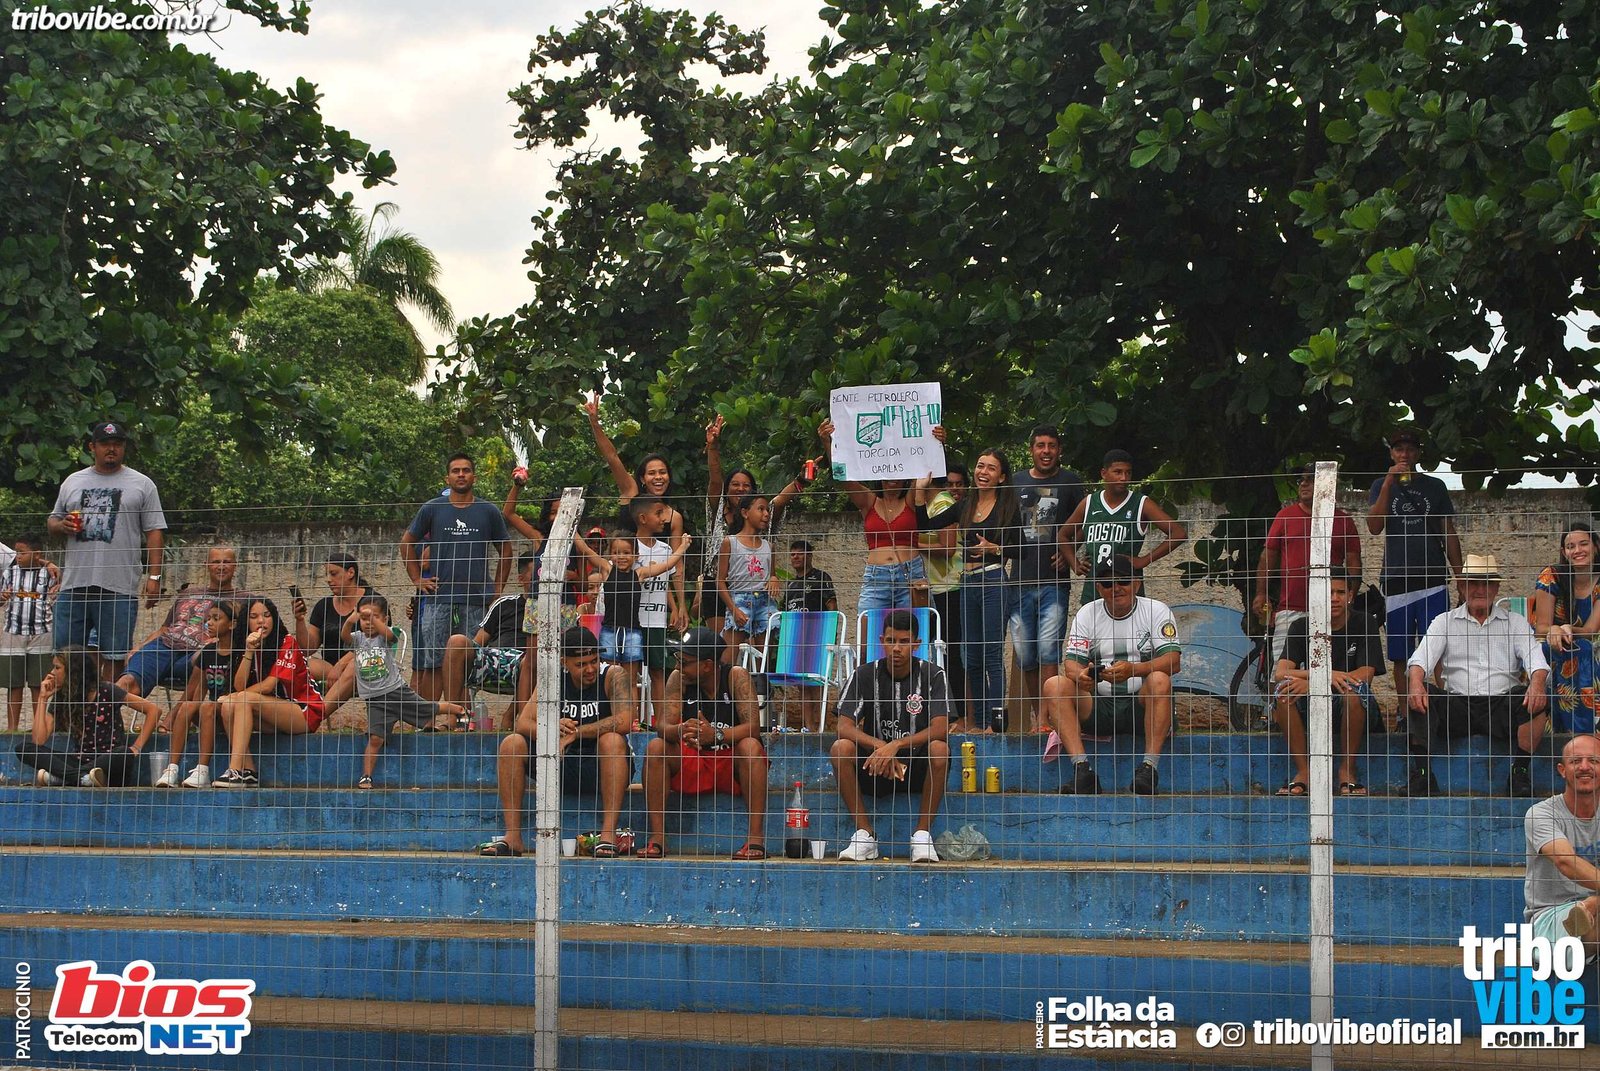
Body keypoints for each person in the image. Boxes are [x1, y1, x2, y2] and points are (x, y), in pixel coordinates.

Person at [480, 626, 634, 858]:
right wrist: (551, 729)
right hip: (559, 763)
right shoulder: (553, 679)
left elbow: (625, 720)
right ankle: (513, 837)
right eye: (581, 664)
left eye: (594, 661)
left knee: (612, 740)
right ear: (564, 662)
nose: (590, 669)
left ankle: (608, 834)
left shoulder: (613, 674)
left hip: (601, 765)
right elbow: (523, 723)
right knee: (512, 744)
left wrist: (577, 732)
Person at [1404, 555, 1549, 797]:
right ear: (1461, 587)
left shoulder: (1515, 622)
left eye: (1487, 583)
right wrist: (1416, 682)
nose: (1480, 590)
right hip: (1457, 706)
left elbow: (1537, 661)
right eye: (1473, 583)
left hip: (1501, 706)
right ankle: (1422, 775)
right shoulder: (1444, 621)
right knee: (1420, 693)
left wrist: (1537, 684)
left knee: (1534, 696)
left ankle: (1520, 773)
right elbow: (1420, 659)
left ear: (1496, 588)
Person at [1043, 554, 1181, 795]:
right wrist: (1082, 675)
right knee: (1054, 684)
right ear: (1098, 588)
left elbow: (1173, 661)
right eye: (1107, 583)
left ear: (1136, 583)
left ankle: (1149, 769)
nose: (1116, 588)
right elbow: (1071, 664)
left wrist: (1133, 670)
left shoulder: (1157, 610)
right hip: (1099, 705)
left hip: (1141, 704)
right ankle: (1082, 771)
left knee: (1160, 679)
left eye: (1123, 581)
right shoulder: (1087, 613)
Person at [46, 421, 167, 679]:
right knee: (65, 656)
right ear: (92, 447)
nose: (111, 449)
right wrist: (62, 525)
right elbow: (53, 520)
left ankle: (107, 705)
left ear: (124, 447)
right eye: (105, 444)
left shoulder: (143, 484)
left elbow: (154, 531)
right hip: (74, 585)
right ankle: (69, 705)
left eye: (117, 444)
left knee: (115, 656)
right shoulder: (73, 481)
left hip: (118, 586)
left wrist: (155, 577)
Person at [830, 609, 952, 862]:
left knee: (940, 748)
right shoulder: (864, 674)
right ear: (881, 641)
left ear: (916, 644)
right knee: (840, 748)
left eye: (904, 642)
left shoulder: (933, 674)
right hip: (875, 766)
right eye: (890, 641)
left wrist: (896, 745)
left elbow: (941, 728)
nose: (896, 648)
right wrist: (880, 747)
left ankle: (922, 835)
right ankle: (865, 835)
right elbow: (843, 726)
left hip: (916, 766)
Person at [640, 627, 769, 859]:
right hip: (695, 761)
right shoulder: (678, 678)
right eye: (678, 658)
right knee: (655, 747)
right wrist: (680, 730)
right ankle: (658, 837)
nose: (678, 665)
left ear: (707, 665)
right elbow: (662, 726)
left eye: (685, 661)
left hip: (731, 762)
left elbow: (753, 727)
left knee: (751, 746)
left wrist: (715, 735)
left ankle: (755, 838)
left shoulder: (735, 676)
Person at [921, 448, 1019, 733]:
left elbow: (1021, 548)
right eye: (980, 466)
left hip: (993, 580)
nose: (983, 472)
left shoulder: (1007, 507)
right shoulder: (965, 505)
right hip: (967, 583)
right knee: (971, 657)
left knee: (992, 655)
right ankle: (980, 722)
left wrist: (995, 548)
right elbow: (925, 524)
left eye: (991, 468)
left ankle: (996, 724)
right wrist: (919, 493)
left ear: (1001, 477)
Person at [401, 453, 511, 700]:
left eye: (466, 470)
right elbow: (406, 543)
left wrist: (497, 589)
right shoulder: (432, 508)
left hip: (476, 602)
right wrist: (417, 579)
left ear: (474, 476)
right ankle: (429, 719)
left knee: (467, 665)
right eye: (456, 471)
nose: (461, 474)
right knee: (432, 664)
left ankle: (460, 717)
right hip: (438, 600)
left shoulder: (488, 511)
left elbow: (506, 549)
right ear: (447, 477)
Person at [1366, 426, 1463, 704]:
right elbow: (1374, 526)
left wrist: (1461, 578)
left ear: (1418, 453)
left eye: (1410, 449)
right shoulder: (1380, 485)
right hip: (1397, 579)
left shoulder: (1435, 486)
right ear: (1391, 453)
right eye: (1399, 449)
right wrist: (1389, 482)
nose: (1404, 455)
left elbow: (1448, 532)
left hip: (1433, 579)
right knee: (1401, 655)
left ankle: (1446, 710)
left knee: (1439, 650)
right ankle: (1405, 713)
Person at [1268, 568, 1384, 797]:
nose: (1334, 598)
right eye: (1328, 592)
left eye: (1340, 592)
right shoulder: (1301, 626)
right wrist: (1324, 677)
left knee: (1353, 692)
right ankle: (1304, 772)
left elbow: (1366, 674)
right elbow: (1281, 672)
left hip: (1354, 708)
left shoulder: (1364, 622)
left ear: (1350, 595)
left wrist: (1318, 682)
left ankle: (1347, 771)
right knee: (1283, 691)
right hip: (1313, 705)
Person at [1010, 426, 1086, 731]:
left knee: (1048, 650)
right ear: (1031, 449)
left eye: (1051, 445)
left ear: (1059, 450)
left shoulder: (1071, 482)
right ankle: (1037, 714)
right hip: (1019, 580)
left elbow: (1084, 523)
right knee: (1025, 655)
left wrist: (1070, 551)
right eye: (1040, 445)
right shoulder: (1015, 482)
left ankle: (1047, 720)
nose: (1046, 451)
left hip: (1055, 582)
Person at [350, 595, 467, 788]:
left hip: (396, 691)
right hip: (375, 700)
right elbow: (344, 635)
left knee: (426, 708)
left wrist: (372, 619)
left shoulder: (385, 637)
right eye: (364, 618)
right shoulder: (358, 639)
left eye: (374, 617)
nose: (368, 622)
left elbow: (390, 635)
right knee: (375, 737)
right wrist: (351, 619)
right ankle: (366, 776)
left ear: (385, 619)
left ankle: (458, 710)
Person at [1253, 465, 1363, 663]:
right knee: (1284, 671)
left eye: (1310, 479)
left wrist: (1348, 599)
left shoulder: (1343, 521)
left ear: (1327, 484)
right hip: (1290, 607)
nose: (1303, 483)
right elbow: (1267, 558)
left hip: (1331, 609)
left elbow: (1354, 564)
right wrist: (1262, 593)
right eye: (1301, 480)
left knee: (1329, 667)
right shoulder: (1284, 516)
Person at [568, 532, 687, 715]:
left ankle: (631, 719)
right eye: (616, 552)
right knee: (609, 676)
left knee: (630, 680)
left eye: (626, 552)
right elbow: (585, 549)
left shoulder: (640, 573)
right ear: (610, 555)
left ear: (636, 555)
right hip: (609, 632)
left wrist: (683, 546)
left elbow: (667, 565)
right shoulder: (607, 570)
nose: (621, 557)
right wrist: (572, 528)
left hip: (633, 633)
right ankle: (609, 715)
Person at [817, 418, 928, 613]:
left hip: (911, 573)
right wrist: (827, 442)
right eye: (887, 470)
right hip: (877, 577)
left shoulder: (911, 498)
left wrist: (936, 441)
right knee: (867, 626)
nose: (892, 477)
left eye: (897, 470)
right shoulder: (869, 501)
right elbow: (842, 475)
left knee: (915, 626)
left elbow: (926, 464)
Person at [214, 598, 326, 788]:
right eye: (254, 617)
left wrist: (236, 696)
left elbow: (267, 686)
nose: (261, 621)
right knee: (228, 706)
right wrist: (249, 651)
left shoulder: (287, 642)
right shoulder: (245, 644)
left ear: (274, 618)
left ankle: (233, 769)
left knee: (240, 699)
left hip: (303, 711)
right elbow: (239, 686)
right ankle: (248, 772)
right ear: (246, 622)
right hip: (272, 712)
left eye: (266, 615)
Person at [16, 646, 162, 787]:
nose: (52, 672)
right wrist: (42, 698)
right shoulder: (62, 697)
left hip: (109, 765)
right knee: (24, 748)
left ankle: (67, 778)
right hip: (80, 761)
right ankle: (81, 778)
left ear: (73, 671)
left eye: (57, 668)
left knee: (123, 752)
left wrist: (136, 747)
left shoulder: (106, 690)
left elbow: (154, 710)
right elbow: (39, 740)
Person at [117, 544, 248, 700]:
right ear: (206, 565)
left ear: (235, 565)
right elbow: (164, 629)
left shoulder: (244, 599)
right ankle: (104, 713)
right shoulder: (188, 593)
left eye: (226, 562)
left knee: (205, 658)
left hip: (198, 656)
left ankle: (177, 714)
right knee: (126, 682)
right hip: (164, 647)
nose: (221, 567)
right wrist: (140, 647)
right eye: (216, 562)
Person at [1058, 449, 1186, 600]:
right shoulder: (1090, 502)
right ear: (1104, 473)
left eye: (1128, 473)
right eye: (1118, 472)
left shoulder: (1141, 503)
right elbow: (1063, 535)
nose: (1124, 478)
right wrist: (1075, 565)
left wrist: (1144, 560)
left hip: (1127, 591)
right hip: (1094, 591)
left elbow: (1179, 533)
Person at [1522, 734, 1598, 967]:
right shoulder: (1541, 813)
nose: (1585, 767)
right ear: (1562, 770)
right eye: (1576, 761)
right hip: (1550, 920)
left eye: (1594, 761)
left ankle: (1592, 905)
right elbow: (1566, 862)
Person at [154, 599, 245, 788]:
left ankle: (203, 770)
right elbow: (200, 690)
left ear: (232, 624)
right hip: (209, 712)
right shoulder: (209, 651)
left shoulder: (241, 652)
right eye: (208, 618)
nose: (209, 623)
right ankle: (172, 769)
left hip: (230, 711)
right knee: (190, 706)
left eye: (216, 619)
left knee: (208, 706)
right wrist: (190, 710)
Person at [440, 552, 536, 730]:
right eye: (535, 575)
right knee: (457, 641)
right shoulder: (504, 604)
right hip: (494, 659)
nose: (540, 580)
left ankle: (510, 716)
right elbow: (477, 642)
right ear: (521, 579)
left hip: (527, 662)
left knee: (534, 659)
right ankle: (454, 715)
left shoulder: (554, 608)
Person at [1532, 523, 1600, 736]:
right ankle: (1559, 730)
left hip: (1592, 643)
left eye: (1583, 544)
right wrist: (1555, 629)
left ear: (1596, 546)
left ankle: (1584, 733)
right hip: (1552, 641)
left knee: (1584, 650)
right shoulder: (1552, 575)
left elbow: (1591, 630)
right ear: (1564, 552)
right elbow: (1541, 627)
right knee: (1551, 651)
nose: (1578, 550)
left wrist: (1568, 628)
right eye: (1571, 546)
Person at [293, 551, 378, 717]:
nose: (328, 580)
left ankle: (314, 716)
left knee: (354, 667)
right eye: (327, 574)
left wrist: (341, 665)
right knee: (297, 664)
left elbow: (372, 644)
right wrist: (299, 620)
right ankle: (288, 715)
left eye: (333, 574)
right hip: (329, 667)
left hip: (365, 664)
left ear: (350, 573)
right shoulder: (323, 605)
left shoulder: (373, 602)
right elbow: (307, 648)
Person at [915, 466, 968, 715]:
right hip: (939, 587)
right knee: (943, 651)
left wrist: (911, 543)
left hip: (951, 586)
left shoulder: (942, 502)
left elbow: (947, 548)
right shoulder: (930, 503)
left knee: (952, 652)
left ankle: (960, 712)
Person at [1, 532, 56, 731]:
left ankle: (37, 726)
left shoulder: (48, 574)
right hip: (13, 632)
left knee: (38, 683)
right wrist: (2, 597)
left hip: (42, 632)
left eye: (22, 553)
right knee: (13, 683)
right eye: (16, 552)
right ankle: (12, 728)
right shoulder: (9, 573)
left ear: (37, 554)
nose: (18, 556)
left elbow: (55, 599)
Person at [717, 493, 781, 658]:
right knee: (729, 655)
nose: (766, 514)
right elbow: (720, 581)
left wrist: (774, 578)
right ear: (745, 513)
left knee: (763, 656)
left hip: (765, 601)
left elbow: (771, 575)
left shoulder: (769, 546)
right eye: (761, 509)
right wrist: (733, 609)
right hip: (739, 600)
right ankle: (726, 676)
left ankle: (759, 676)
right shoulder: (730, 542)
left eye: (767, 510)